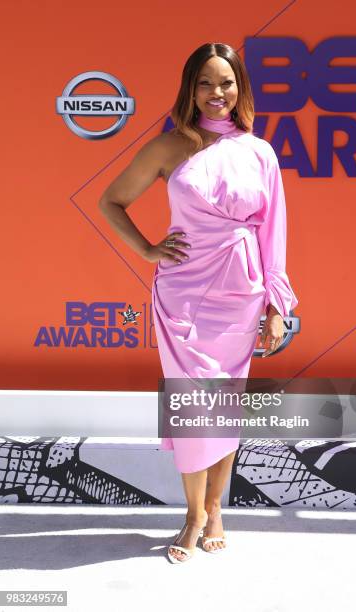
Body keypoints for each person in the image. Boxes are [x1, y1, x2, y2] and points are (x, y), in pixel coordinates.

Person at [99, 42, 299, 564]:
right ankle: (191, 516)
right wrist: (147, 249)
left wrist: (276, 308)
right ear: (190, 88)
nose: (217, 93)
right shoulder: (169, 148)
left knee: (223, 407)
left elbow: (273, 233)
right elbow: (111, 200)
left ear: (240, 89)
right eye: (206, 83)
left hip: (241, 294)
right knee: (192, 407)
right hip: (183, 294)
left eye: (226, 83)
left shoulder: (259, 152)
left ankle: (215, 508)